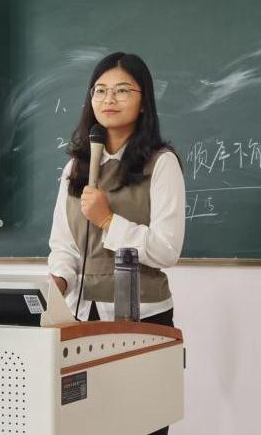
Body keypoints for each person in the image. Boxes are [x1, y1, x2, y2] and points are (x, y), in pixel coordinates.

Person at [47, 52, 185, 435]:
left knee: (142, 425)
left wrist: (108, 220)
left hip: (144, 321)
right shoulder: (75, 167)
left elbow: (167, 249)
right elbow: (65, 245)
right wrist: (57, 282)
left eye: (122, 90)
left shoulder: (161, 164)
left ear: (143, 103)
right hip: (82, 322)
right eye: (100, 90)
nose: (109, 99)